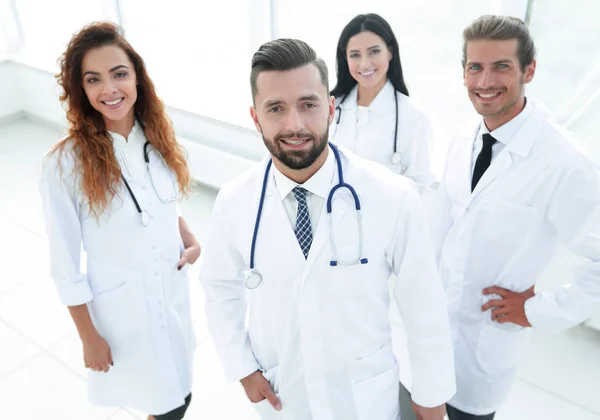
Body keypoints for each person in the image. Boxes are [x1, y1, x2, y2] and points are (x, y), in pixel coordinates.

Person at [198, 38, 455, 420]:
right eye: (275, 108)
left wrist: (432, 398)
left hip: (363, 398)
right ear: (255, 118)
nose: (295, 124)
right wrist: (242, 366)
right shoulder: (234, 201)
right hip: (283, 394)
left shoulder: (392, 196)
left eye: (308, 104)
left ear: (331, 108)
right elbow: (220, 288)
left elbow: (424, 304)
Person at [431, 15, 600, 419]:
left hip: (482, 355)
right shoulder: (462, 136)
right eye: (475, 67)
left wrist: (538, 310)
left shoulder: (565, 162)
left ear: (530, 70)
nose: (485, 80)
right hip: (426, 342)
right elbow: (443, 224)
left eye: (501, 66)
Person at [39, 22, 200, 420]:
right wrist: (88, 337)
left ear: (137, 78)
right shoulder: (63, 164)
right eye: (93, 80)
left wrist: (188, 235)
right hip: (123, 313)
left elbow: (162, 202)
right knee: (167, 406)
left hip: (171, 295)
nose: (109, 90)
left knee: (180, 392)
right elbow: (63, 265)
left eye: (119, 74)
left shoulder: (157, 136)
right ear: (81, 90)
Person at [329, 13, 435, 193]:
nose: (364, 64)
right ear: (345, 58)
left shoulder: (414, 119)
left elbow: (422, 190)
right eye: (355, 55)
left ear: (390, 51)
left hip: (386, 219)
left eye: (374, 51)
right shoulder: (329, 108)